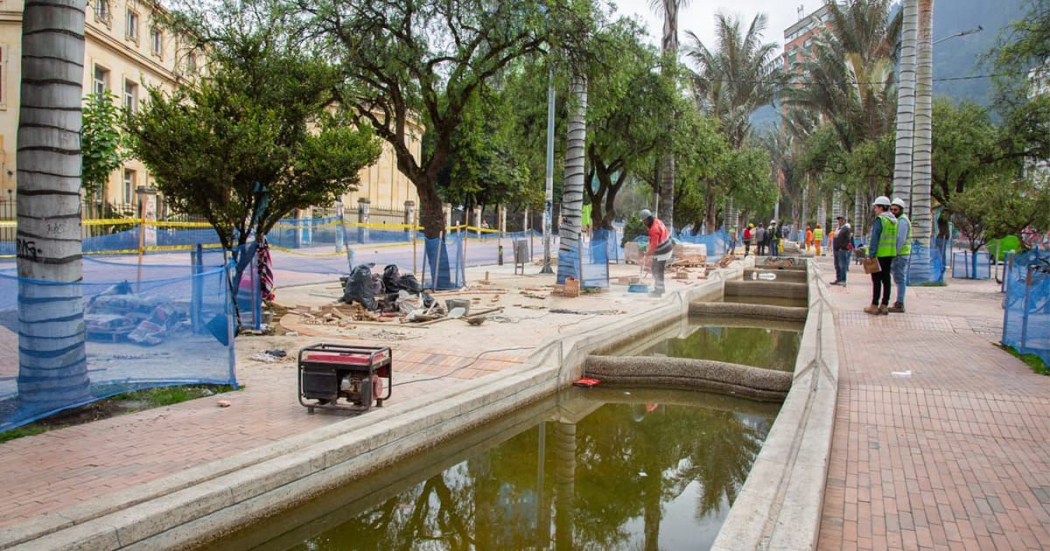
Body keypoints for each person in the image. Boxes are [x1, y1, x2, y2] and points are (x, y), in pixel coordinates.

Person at [865, 196, 898, 315]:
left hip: (879, 255)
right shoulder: (893, 221)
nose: (875, 209)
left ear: (881, 207)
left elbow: (875, 238)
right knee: (886, 280)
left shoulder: (881, 220)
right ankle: (884, 305)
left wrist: (871, 254)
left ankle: (874, 305)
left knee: (876, 280)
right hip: (889, 254)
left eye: (876, 207)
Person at [640, 209, 672, 297]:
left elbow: (654, 245)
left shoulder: (653, 229)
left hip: (664, 251)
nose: (644, 223)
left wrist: (647, 253)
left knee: (657, 270)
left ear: (647, 219)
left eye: (644, 221)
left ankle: (659, 291)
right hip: (666, 248)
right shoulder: (657, 221)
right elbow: (654, 241)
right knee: (655, 269)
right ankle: (660, 289)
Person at [888, 198, 912, 313]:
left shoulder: (902, 221)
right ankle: (899, 302)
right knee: (898, 278)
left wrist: (894, 253)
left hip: (900, 254)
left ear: (901, 210)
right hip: (899, 254)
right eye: (891, 209)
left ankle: (900, 303)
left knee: (900, 279)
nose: (893, 212)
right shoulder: (897, 220)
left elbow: (900, 239)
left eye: (895, 210)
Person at [831, 215, 852, 285]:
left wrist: (843, 247)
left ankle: (843, 280)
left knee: (842, 265)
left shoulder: (846, 229)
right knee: (837, 265)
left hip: (842, 250)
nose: (840, 222)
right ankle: (838, 279)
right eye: (839, 220)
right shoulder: (837, 229)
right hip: (836, 250)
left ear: (844, 221)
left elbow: (848, 239)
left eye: (841, 220)